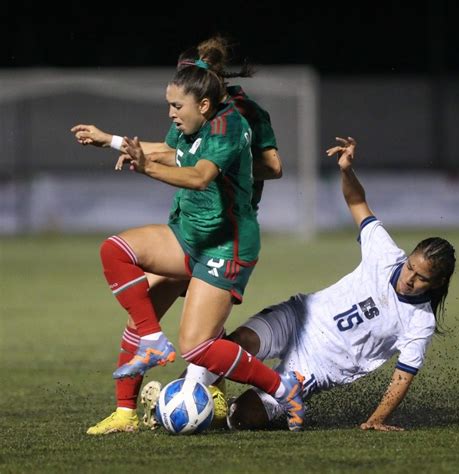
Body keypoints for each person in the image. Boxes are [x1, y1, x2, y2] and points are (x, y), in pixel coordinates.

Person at [72, 39, 304, 436]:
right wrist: (111, 140)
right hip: (189, 229)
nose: (171, 112)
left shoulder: (237, 119)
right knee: (122, 267)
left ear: (205, 93)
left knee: (198, 344)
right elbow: (173, 151)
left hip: (224, 241)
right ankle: (128, 407)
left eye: (176, 103)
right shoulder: (193, 116)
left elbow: (200, 175)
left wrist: (230, 167)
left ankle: (282, 389)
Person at [145, 136, 456, 432]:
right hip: (299, 318)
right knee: (235, 344)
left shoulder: (420, 323)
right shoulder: (387, 255)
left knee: (242, 417)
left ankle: (222, 408)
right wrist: (346, 170)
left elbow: (403, 377)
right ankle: (171, 406)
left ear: (437, 282)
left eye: (421, 278)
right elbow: (358, 202)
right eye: (410, 267)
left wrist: (376, 418)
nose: (409, 278)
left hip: (315, 367)